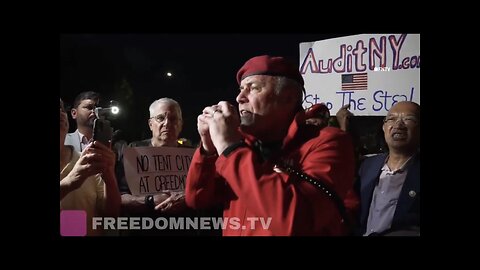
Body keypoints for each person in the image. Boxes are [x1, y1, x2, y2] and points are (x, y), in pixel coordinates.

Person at [185, 55, 357, 236]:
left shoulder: (328, 142)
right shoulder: (244, 145)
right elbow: (197, 199)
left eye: (253, 88)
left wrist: (230, 148)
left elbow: (293, 222)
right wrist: (208, 149)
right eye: (241, 89)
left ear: (288, 98)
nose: (239, 98)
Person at [116, 98, 212, 235]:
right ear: (150, 124)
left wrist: (187, 197)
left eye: (173, 119)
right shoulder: (133, 152)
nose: (167, 123)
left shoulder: (194, 156)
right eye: (160, 118)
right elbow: (119, 196)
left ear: (181, 124)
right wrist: (149, 201)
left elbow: (207, 190)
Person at [358, 101, 420, 236]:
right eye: (392, 119)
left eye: (408, 119)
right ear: (384, 127)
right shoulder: (367, 166)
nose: (398, 125)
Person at [60, 98, 121, 236]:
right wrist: (70, 182)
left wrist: (109, 176)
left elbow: (111, 215)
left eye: (61, 108)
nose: (60, 112)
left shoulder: (86, 160)